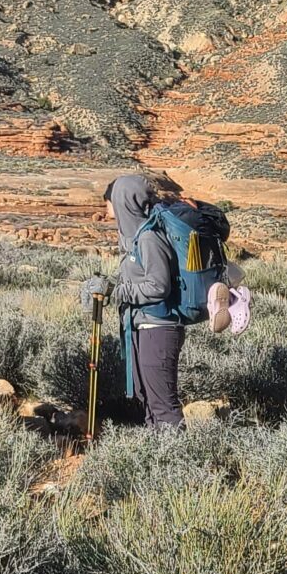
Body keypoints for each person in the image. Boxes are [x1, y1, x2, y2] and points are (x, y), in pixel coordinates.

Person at [92, 173, 188, 429]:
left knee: (163, 406)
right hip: (142, 326)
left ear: (124, 201)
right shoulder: (135, 238)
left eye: (109, 201)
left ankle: (182, 462)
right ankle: (157, 461)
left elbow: (158, 286)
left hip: (159, 327)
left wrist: (120, 292)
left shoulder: (149, 238)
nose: (107, 208)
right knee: (147, 402)